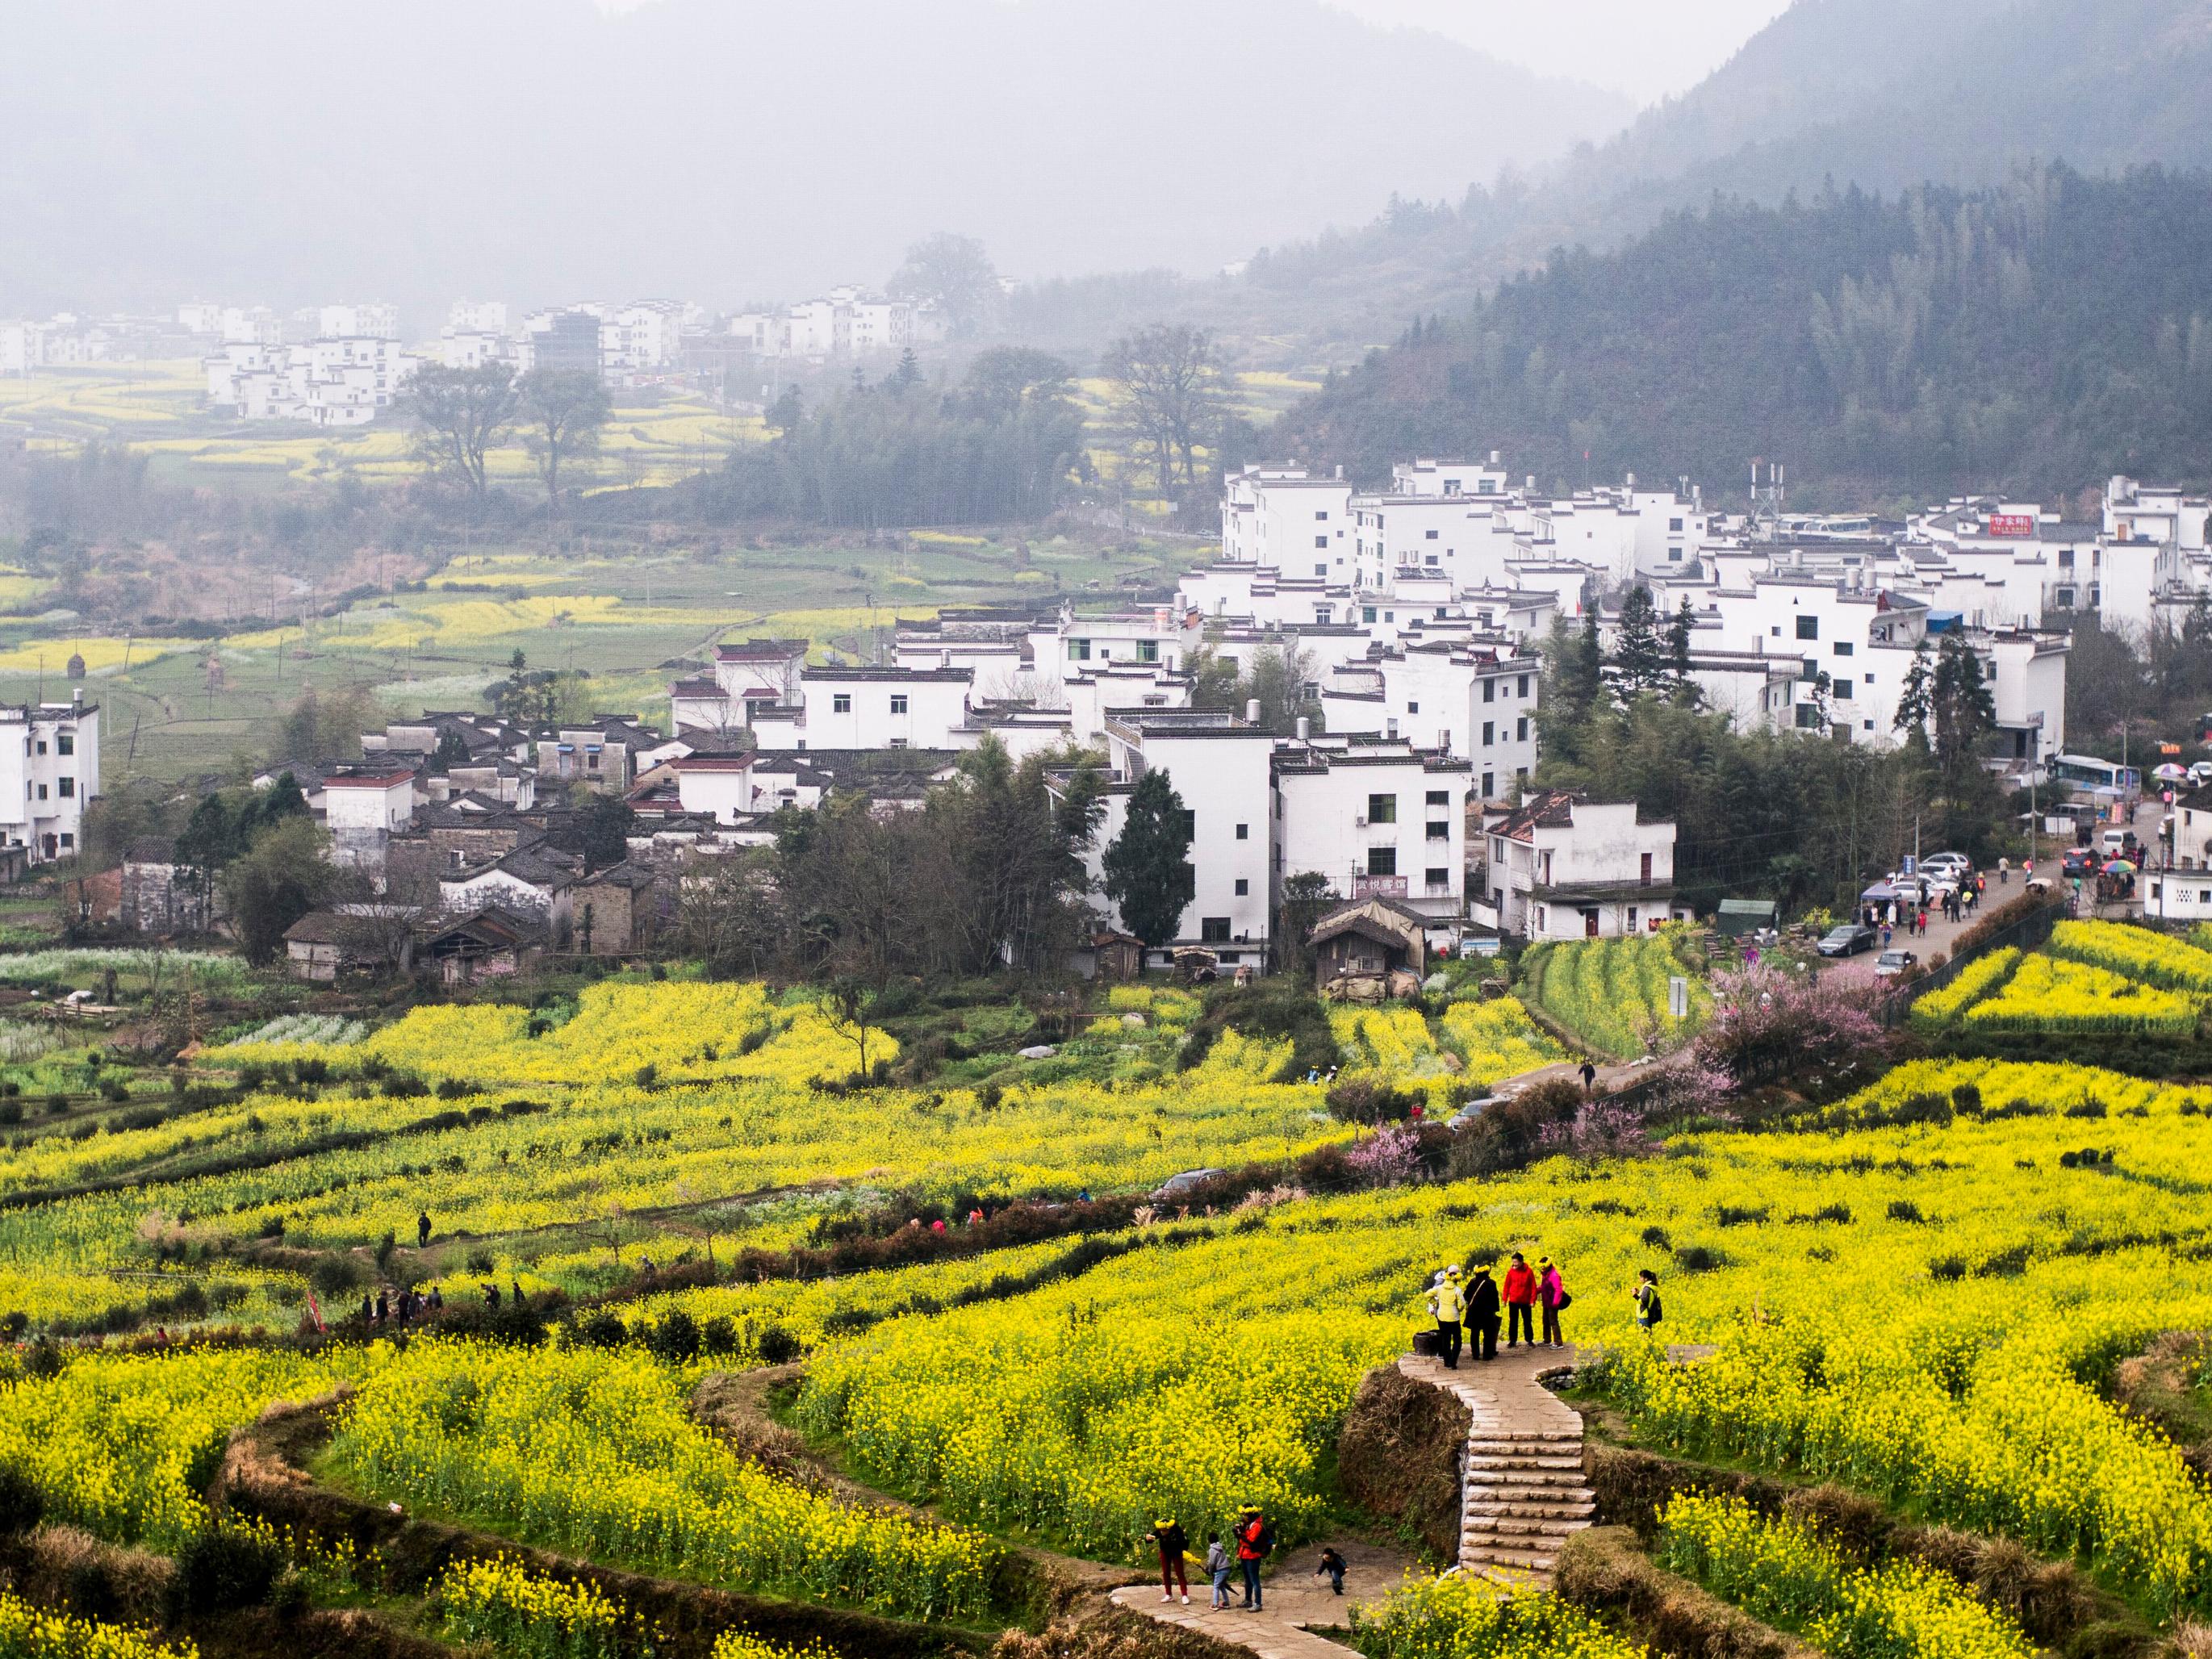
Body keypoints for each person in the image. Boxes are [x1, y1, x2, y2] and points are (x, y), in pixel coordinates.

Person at [1425, 1264, 1466, 1369]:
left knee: (1445, 1339)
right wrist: (1458, 1309)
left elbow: (1427, 1294)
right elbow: (1461, 1305)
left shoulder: (1439, 1288)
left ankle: (1447, 1362)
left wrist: (1435, 1303)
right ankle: (1453, 1362)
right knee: (1457, 1340)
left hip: (1442, 1317)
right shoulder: (1457, 1290)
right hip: (1453, 1318)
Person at [1145, 1516, 1190, 1605]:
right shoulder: (1161, 1529)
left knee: (1179, 1572)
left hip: (1176, 1552)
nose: (1162, 1532)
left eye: (1164, 1531)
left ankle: (1184, 1595)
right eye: (1160, 1530)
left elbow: (1185, 1543)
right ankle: (1168, 1594)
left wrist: (1181, 1549)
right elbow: (1153, 1538)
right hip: (1165, 1552)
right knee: (1166, 1573)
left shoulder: (1177, 1530)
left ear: (1169, 1528)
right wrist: (1147, 1538)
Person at [1466, 1263, 1501, 1362]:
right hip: (1487, 1312)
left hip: (1474, 1312)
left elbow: (1466, 1296)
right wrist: (1496, 1310)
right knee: (1488, 1333)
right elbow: (1495, 1298)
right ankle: (1487, 1355)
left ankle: (1475, 1354)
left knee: (1475, 1333)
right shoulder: (1491, 1283)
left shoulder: (1472, 1282)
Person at [1236, 1507, 1270, 1610]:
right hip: (1245, 1554)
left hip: (1253, 1556)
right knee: (1247, 1580)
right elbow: (1245, 1537)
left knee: (1255, 1580)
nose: (1244, 1517)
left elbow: (1251, 1540)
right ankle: (1248, 1600)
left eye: (1245, 1515)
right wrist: (1240, 1531)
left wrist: (1240, 1535)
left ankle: (1258, 1604)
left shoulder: (1257, 1526)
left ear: (1250, 1516)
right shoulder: (1248, 1525)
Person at [1503, 1252, 1537, 1348]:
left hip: (1525, 1301)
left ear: (1521, 1262)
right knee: (1513, 1321)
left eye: (1516, 1262)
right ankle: (1512, 1341)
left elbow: (1533, 1286)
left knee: (1527, 1321)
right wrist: (1504, 1299)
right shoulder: (1511, 1272)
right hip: (1513, 1300)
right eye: (1513, 1262)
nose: (1515, 1264)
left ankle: (1529, 1340)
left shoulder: (1529, 1271)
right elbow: (1506, 1286)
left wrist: (1532, 1300)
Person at [1537, 1256, 1567, 1348]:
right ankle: (1547, 1340)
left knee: (1553, 1322)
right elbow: (1543, 1287)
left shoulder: (1554, 1275)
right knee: (1545, 1321)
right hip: (1546, 1302)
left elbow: (1558, 1290)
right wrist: (1535, 1290)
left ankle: (1558, 1343)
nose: (1542, 1268)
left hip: (1553, 1303)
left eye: (1543, 1266)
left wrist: (1555, 1303)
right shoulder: (1546, 1274)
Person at [1206, 1532, 1232, 1609]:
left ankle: (1215, 1604)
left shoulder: (1212, 1549)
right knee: (1221, 1585)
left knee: (1216, 1586)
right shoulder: (1220, 1547)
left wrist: (1210, 1571)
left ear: (1209, 1540)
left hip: (1221, 1570)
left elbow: (1212, 1563)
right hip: (1227, 1568)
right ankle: (1226, 1603)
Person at [1633, 1268, 1662, 1333]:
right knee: (1647, 1336)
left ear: (1646, 1279)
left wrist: (1635, 1295)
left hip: (1644, 1315)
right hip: (1647, 1314)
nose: (1640, 1279)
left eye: (1641, 1277)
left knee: (1644, 1338)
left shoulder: (1647, 1288)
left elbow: (1644, 1302)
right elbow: (1646, 1298)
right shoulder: (1650, 1287)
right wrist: (1639, 1292)